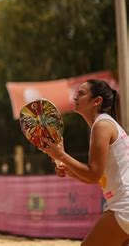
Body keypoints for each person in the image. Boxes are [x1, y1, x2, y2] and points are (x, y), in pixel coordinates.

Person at [42, 79, 129, 246]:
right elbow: (96, 178)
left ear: (97, 101)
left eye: (81, 93)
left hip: (124, 207)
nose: (75, 97)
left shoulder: (102, 125)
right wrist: (69, 170)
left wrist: (60, 155)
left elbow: (93, 174)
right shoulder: (105, 124)